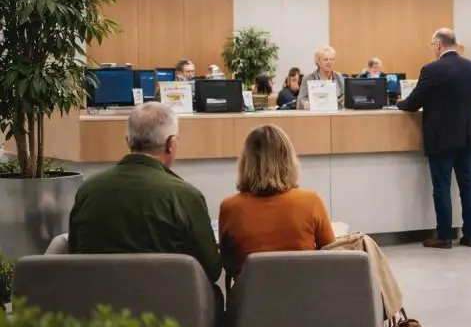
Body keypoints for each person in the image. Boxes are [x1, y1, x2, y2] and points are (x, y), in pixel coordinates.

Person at [67, 102, 221, 284]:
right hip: (167, 299)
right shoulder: (186, 196)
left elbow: (74, 254)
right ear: (171, 144)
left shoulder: (88, 190)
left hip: (98, 298)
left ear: (128, 140)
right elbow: (211, 269)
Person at [397, 28, 471, 249]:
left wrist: (398, 102)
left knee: (442, 186)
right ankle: (470, 235)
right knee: (468, 185)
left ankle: (444, 236)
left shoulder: (431, 69)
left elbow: (412, 103)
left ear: (438, 45)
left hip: (441, 137)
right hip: (468, 135)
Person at [218, 124, 335, 273]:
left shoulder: (230, 208)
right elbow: (331, 256)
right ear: (288, 160)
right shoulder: (311, 202)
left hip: (253, 288)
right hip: (303, 286)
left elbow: (228, 263)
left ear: (246, 162)